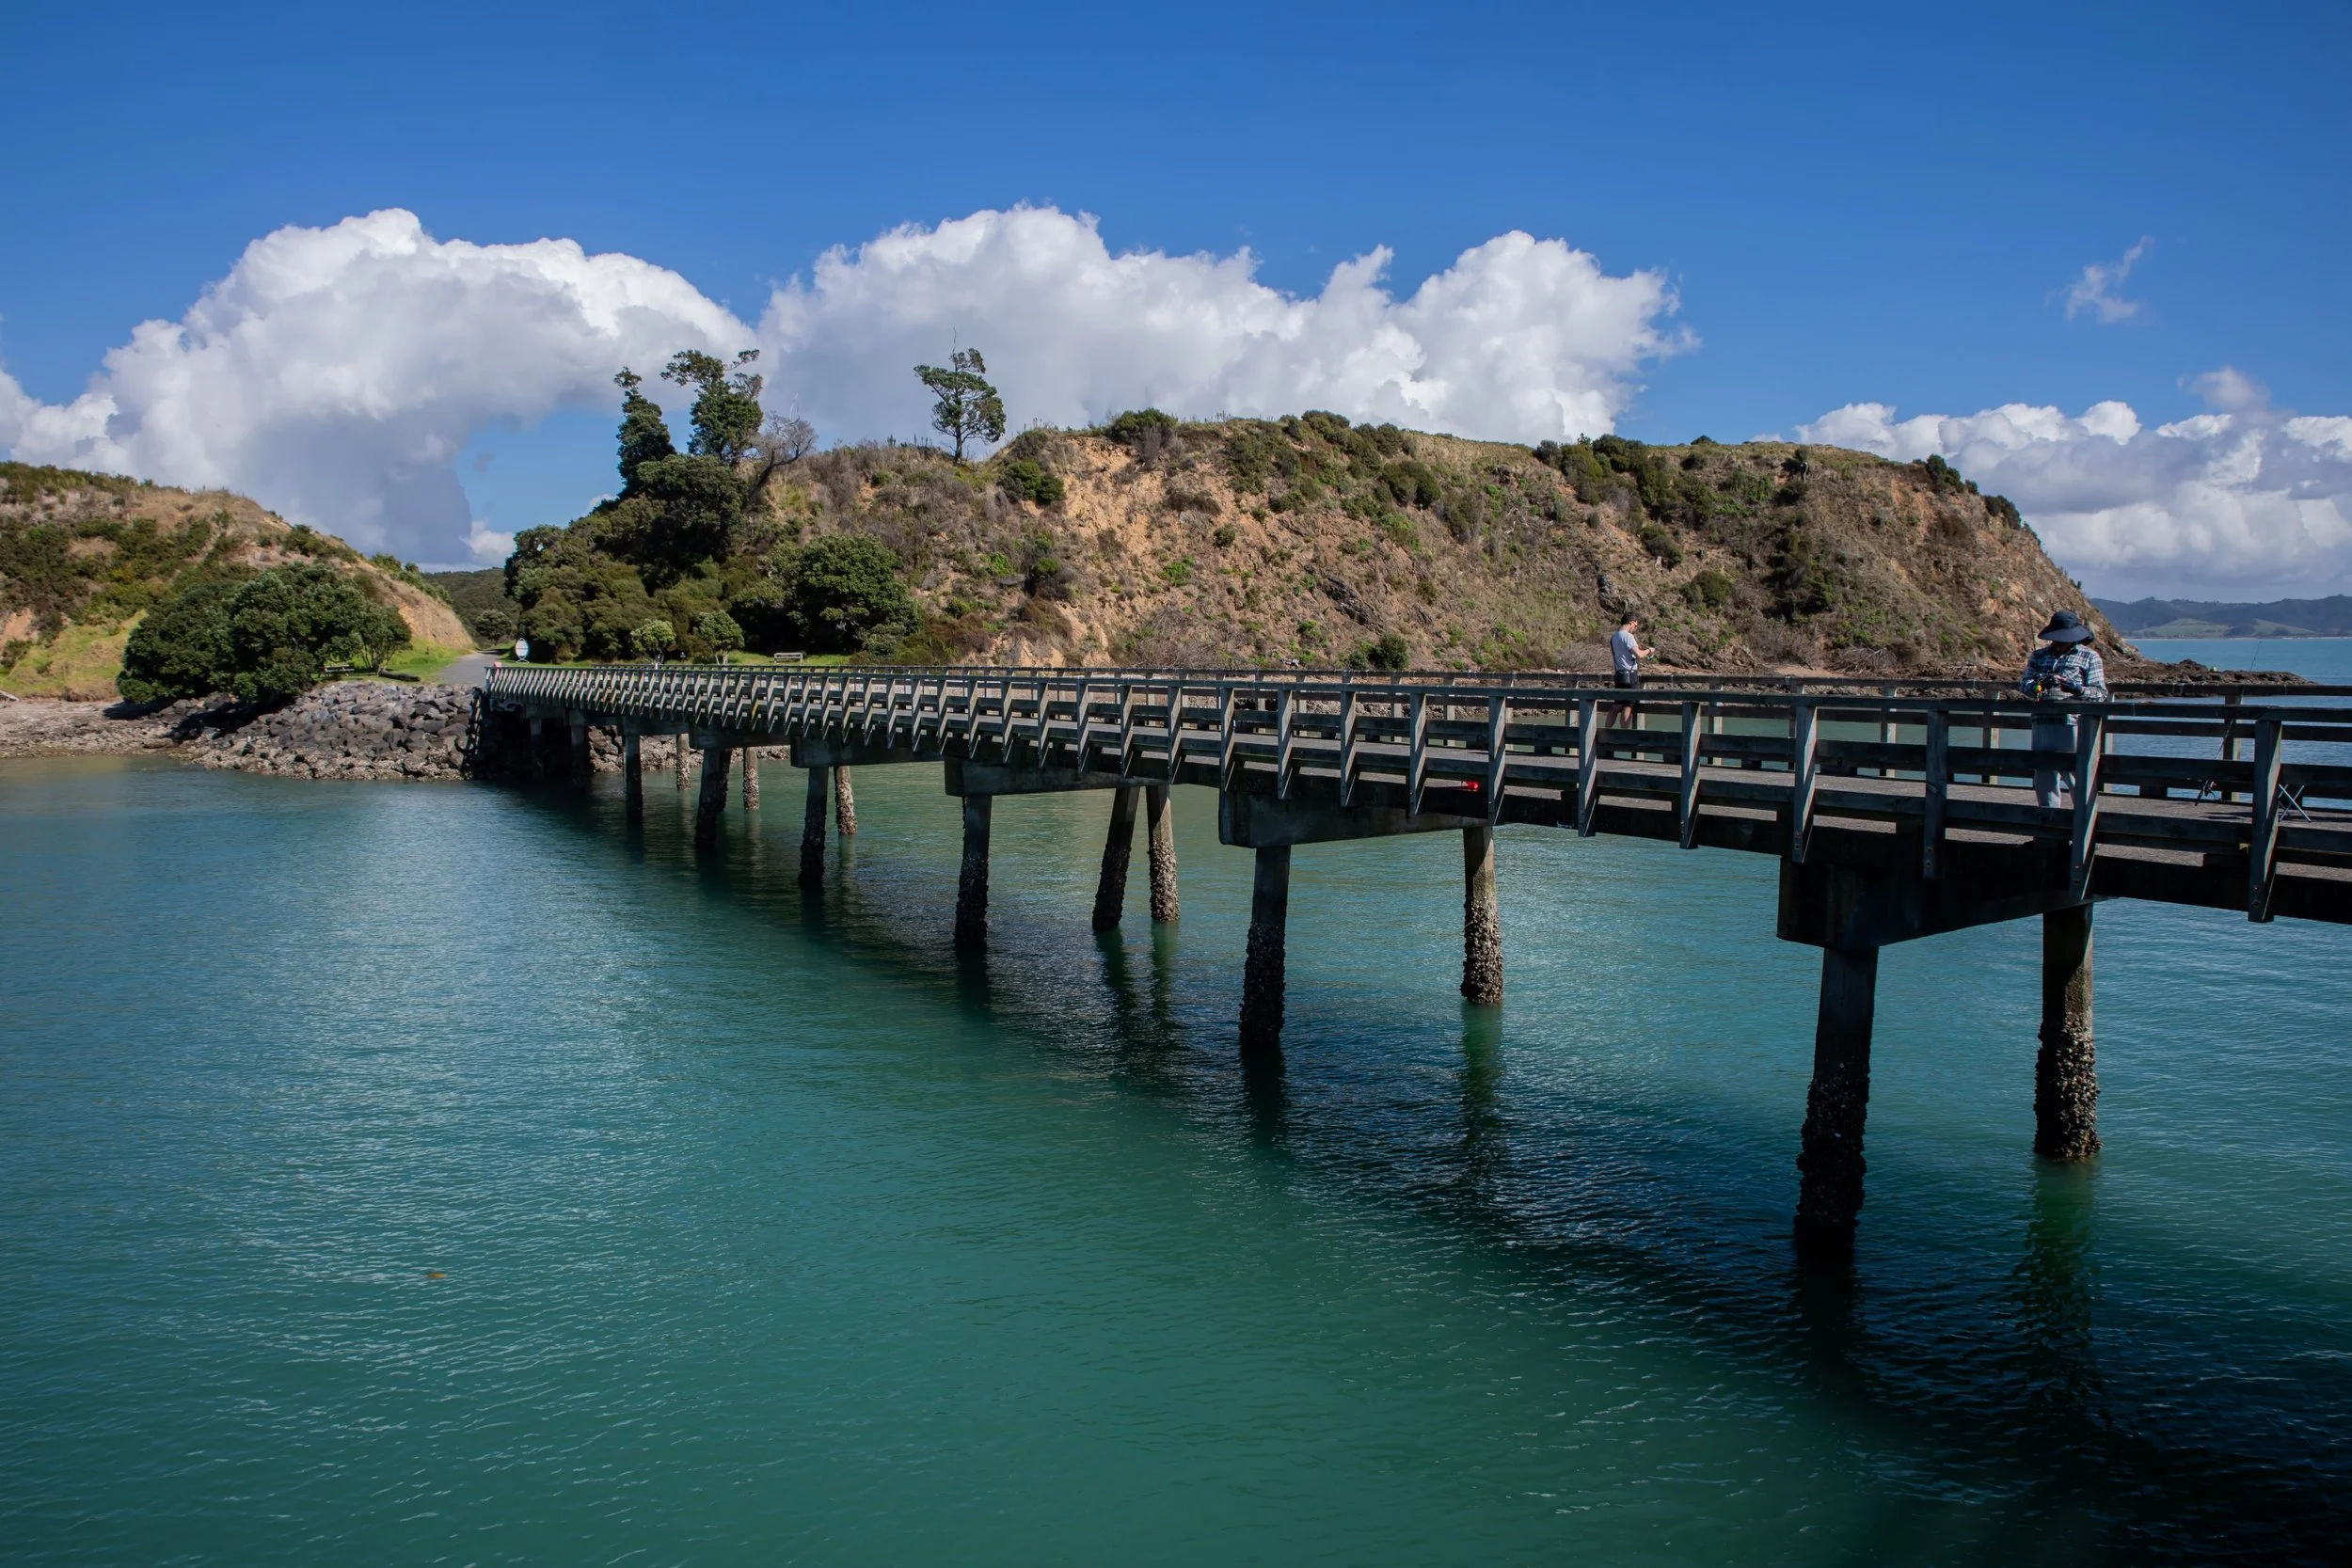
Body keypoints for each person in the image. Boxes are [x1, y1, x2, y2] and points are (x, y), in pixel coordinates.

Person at [2019, 610, 2107, 809]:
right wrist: (2038, 686)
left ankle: (2082, 820)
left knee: (2076, 774)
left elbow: (2100, 693)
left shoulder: (2089, 657)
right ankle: (2049, 823)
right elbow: (2024, 685)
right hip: (2041, 722)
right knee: (2044, 775)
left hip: (2072, 723)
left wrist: (2076, 689)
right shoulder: (2038, 656)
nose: (2059, 642)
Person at [1608, 613, 1654, 730]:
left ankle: (1605, 731)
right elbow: (1639, 654)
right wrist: (1649, 650)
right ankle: (1624, 734)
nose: (1635, 628)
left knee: (1617, 705)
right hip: (1630, 675)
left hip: (1619, 675)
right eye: (1636, 625)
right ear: (1631, 623)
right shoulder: (1628, 636)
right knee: (1628, 706)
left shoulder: (1614, 637)